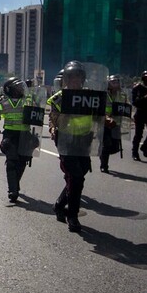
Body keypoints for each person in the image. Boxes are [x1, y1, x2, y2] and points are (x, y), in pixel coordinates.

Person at [47, 60, 98, 233]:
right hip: (66, 141)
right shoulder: (60, 98)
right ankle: (72, 216)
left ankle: (60, 205)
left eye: (78, 77)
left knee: (79, 173)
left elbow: (99, 114)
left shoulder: (90, 96)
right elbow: (53, 118)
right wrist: (53, 129)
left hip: (84, 141)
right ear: (66, 79)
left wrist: (107, 120)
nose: (75, 81)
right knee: (76, 178)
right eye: (71, 78)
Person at [0, 77, 36, 202]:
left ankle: (15, 184)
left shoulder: (27, 101)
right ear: (10, 90)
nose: (21, 89)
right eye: (18, 87)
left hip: (25, 135)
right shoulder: (4, 103)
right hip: (10, 135)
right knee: (11, 162)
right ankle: (13, 190)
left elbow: (36, 113)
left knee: (22, 161)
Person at [100, 75, 129, 173]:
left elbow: (127, 107)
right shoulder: (103, 94)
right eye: (113, 82)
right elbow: (98, 107)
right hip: (105, 122)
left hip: (116, 123)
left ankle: (102, 153)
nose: (116, 84)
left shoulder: (123, 95)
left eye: (117, 82)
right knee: (107, 144)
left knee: (115, 147)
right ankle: (104, 165)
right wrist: (106, 117)